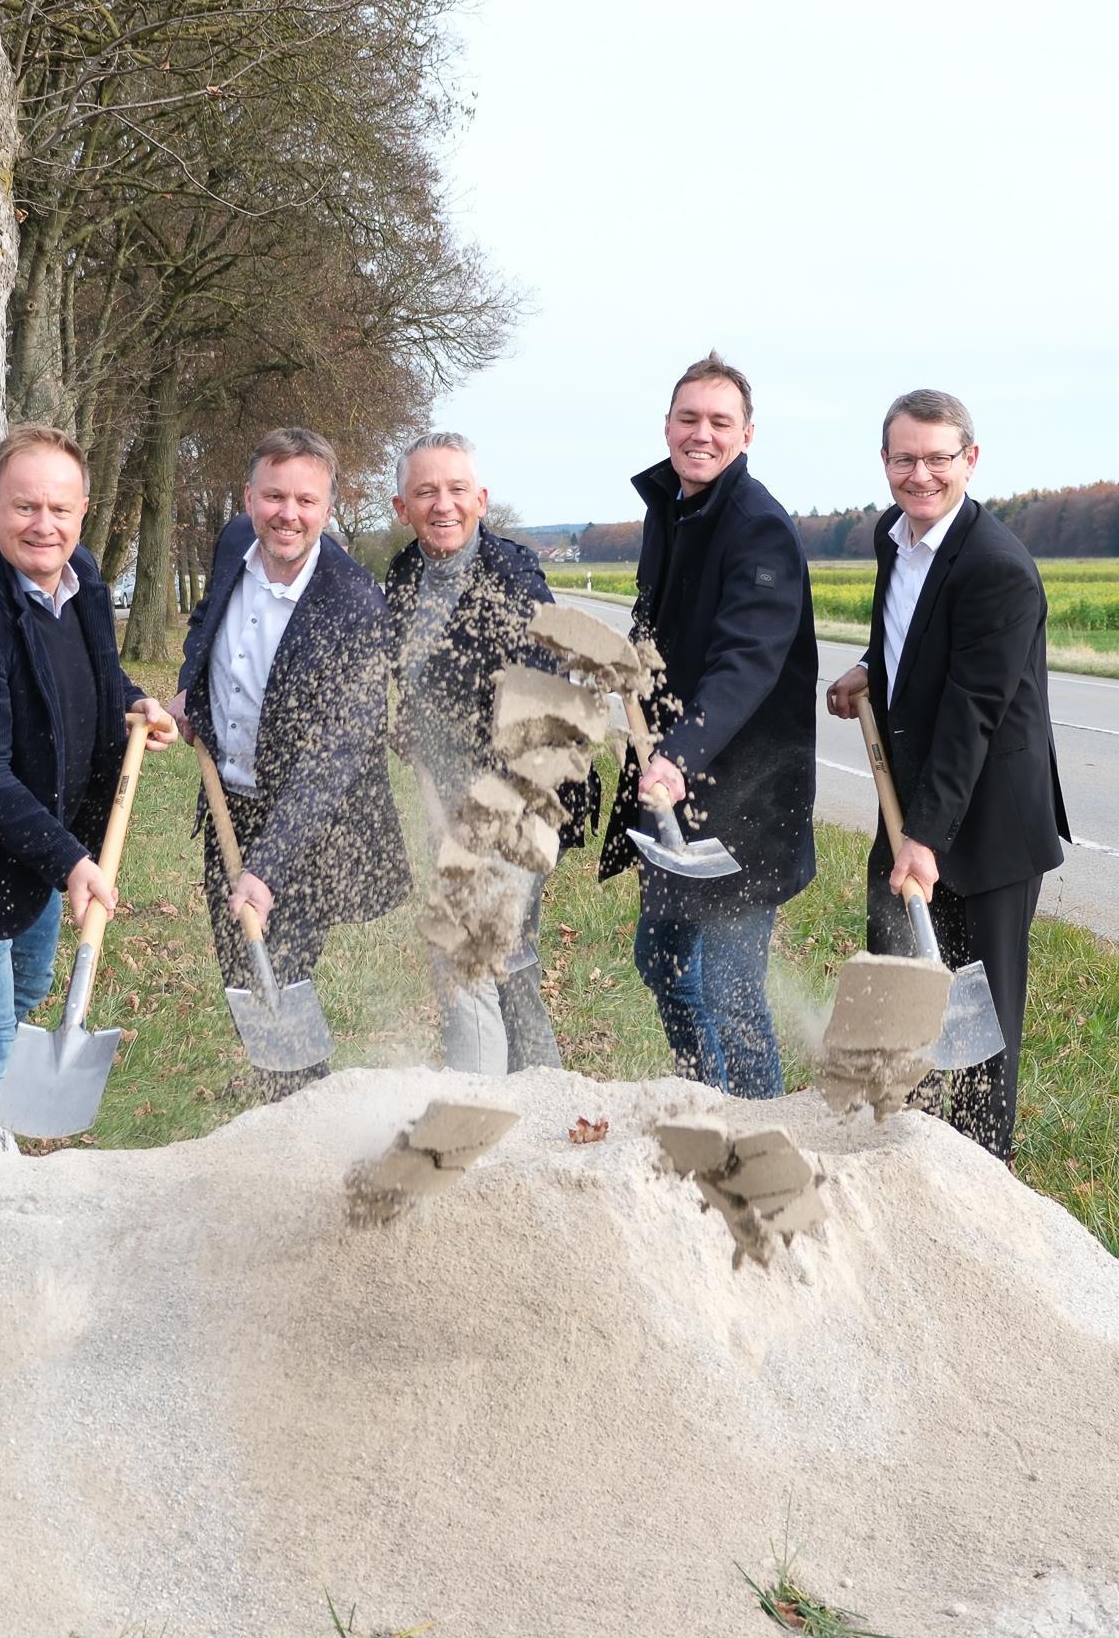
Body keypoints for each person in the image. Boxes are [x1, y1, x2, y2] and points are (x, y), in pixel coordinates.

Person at [0, 423, 174, 1145]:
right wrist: (74, 862)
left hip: (36, 848)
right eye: (25, 507)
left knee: (20, 1003)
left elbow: (95, 678)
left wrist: (132, 702)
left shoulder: (83, 579)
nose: (43, 525)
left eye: (59, 509)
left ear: (82, 512)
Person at [825, 388, 1069, 1159]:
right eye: (905, 458)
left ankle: (983, 1178)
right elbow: (912, 636)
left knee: (981, 1027)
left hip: (987, 827)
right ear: (886, 461)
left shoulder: (998, 568)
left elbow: (974, 712)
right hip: (912, 808)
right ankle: (903, 1152)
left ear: (970, 459)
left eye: (938, 458)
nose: (920, 474)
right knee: (902, 995)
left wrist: (925, 838)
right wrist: (870, 668)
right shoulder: (892, 538)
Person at [599, 352, 818, 1096]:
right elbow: (666, 637)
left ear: (746, 434)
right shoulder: (673, 508)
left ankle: (760, 1138)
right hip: (677, 794)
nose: (702, 433)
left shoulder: (760, 532)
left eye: (719, 422)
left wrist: (677, 756)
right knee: (659, 962)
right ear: (667, 425)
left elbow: (745, 665)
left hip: (748, 798)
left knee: (731, 990)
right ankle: (705, 1095)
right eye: (689, 418)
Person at [166, 427, 404, 1100]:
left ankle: (309, 1121)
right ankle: (285, 1110)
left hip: (308, 825)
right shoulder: (233, 544)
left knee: (280, 977)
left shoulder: (353, 604)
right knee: (243, 979)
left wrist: (266, 870)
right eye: (273, 496)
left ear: (329, 509)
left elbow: (336, 755)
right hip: (227, 804)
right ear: (249, 498)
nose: (287, 514)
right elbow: (206, 622)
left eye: (306, 500)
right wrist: (191, 688)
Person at [383, 430, 565, 1076]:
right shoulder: (405, 573)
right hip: (450, 795)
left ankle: (474, 1114)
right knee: (506, 967)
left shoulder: (512, 582)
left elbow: (545, 719)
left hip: (520, 805)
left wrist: (483, 818)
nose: (444, 505)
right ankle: (550, 1108)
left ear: (481, 499)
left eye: (457, 489)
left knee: (464, 952)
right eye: (426, 491)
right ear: (401, 507)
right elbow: (416, 677)